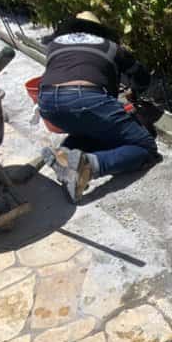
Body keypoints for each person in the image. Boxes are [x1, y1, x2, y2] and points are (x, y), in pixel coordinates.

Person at [37, 11, 158, 202]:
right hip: (86, 99)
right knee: (146, 147)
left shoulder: (54, 45)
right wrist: (135, 92)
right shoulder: (111, 47)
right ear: (99, 30)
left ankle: (65, 154)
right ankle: (90, 166)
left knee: (90, 126)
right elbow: (141, 76)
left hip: (47, 102)